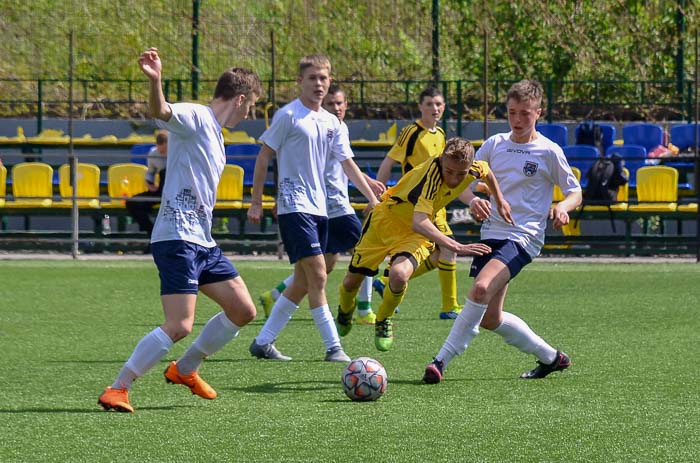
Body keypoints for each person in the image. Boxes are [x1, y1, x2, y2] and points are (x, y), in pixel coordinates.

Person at [98, 47, 262, 413]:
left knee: (243, 310)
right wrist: (155, 81)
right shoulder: (197, 117)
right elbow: (162, 111)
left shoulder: (216, 134)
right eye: (251, 104)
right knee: (180, 323)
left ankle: (185, 369)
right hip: (176, 237)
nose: (250, 112)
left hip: (201, 241)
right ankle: (118, 387)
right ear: (240, 98)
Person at [422, 79, 582, 384]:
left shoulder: (549, 151)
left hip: (524, 236)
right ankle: (552, 358)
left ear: (539, 112)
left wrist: (564, 208)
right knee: (490, 317)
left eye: (525, 113)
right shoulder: (495, 145)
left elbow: (575, 192)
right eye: (512, 113)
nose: (518, 120)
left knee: (480, 288)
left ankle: (440, 360)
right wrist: (473, 202)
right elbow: (462, 185)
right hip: (491, 233)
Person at [247, 55, 379, 362]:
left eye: (324, 78)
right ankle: (334, 347)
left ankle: (263, 342)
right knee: (319, 275)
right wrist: (257, 200)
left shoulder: (332, 123)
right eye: (312, 78)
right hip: (294, 206)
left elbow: (348, 165)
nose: (319, 84)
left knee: (304, 281)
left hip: (320, 209)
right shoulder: (288, 116)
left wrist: (371, 197)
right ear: (300, 82)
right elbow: (264, 157)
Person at [336, 137, 513, 352]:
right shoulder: (432, 176)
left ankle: (383, 319)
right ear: (440, 160)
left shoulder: (473, 167)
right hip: (385, 222)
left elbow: (487, 172)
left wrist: (500, 199)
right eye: (449, 171)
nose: (455, 179)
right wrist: (457, 247)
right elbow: (419, 221)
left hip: (414, 233)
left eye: (461, 173)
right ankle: (345, 310)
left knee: (399, 275)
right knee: (350, 283)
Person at [258, 85, 384, 325]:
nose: (335, 108)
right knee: (366, 250)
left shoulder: (338, 127)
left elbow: (346, 165)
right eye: (330, 104)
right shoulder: (312, 123)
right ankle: (363, 308)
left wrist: (367, 185)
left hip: (331, 203)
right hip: (327, 204)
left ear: (346, 105)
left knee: (323, 264)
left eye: (339, 103)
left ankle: (273, 296)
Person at [374, 87, 463, 320]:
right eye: (430, 104)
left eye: (439, 104)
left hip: (436, 204)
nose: (435, 108)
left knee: (441, 254)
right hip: (416, 204)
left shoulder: (442, 134)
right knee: (448, 248)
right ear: (420, 107)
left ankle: (387, 280)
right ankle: (450, 307)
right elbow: (388, 162)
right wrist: (377, 194)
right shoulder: (411, 132)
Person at [125, 130, 168, 253]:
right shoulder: (153, 154)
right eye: (160, 149)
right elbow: (150, 172)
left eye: (164, 150)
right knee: (132, 203)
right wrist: (149, 184)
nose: (161, 152)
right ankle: (153, 234)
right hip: (161, 189)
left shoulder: (178, 153)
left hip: (176, 190)